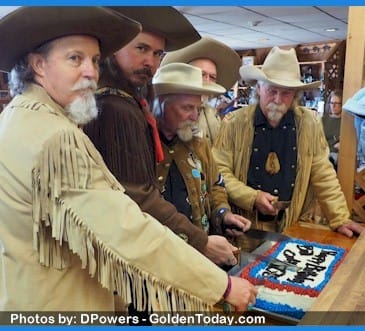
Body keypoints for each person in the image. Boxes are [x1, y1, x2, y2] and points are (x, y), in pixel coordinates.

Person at [0, 6, 257, 312]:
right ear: (38, 65)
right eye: (75, 58)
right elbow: (126, 230)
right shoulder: (57, 138)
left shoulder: (16, 117)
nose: (90, 72)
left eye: (95, 60)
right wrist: (221, 285)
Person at [84, 8, 240, 267]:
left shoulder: (192, 141)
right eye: (141, 49)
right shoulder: (116, 107)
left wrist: (221, 214)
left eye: (157, 53)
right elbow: (138, 197)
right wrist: (199, 241)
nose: (150, 62)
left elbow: (213, 186)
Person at [212, 46, 363, 252]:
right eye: (272, 91)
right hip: (244, 230)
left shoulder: (309, 123)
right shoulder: (233, 123)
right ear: (259, 88)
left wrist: (340, 218)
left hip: (292, 226)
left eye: (286, 93)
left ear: (295, 95)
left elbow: (323, 174)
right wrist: (252, 196)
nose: (277, 99)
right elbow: (218, 174)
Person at [152, 63, 251, 252]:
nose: (195, 116)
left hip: (201, 252)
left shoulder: (198, 142)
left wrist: (223, 214)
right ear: (160, 104)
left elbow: (215, 185)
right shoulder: (141, 144)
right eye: (188, 108)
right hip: (159, 256)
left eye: (198, 108)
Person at [160, 37, 241, 146]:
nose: (207, 81)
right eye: (202, 74)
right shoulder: (168, 114)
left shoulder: (211, 114)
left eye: (212, 77)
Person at [322, 89, 343, 170]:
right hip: (324, 154)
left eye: (336, 103)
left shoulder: (345, 122)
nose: (333, 106)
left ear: (342, 104)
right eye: (331, 103)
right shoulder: (323, 120)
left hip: (338, 157)